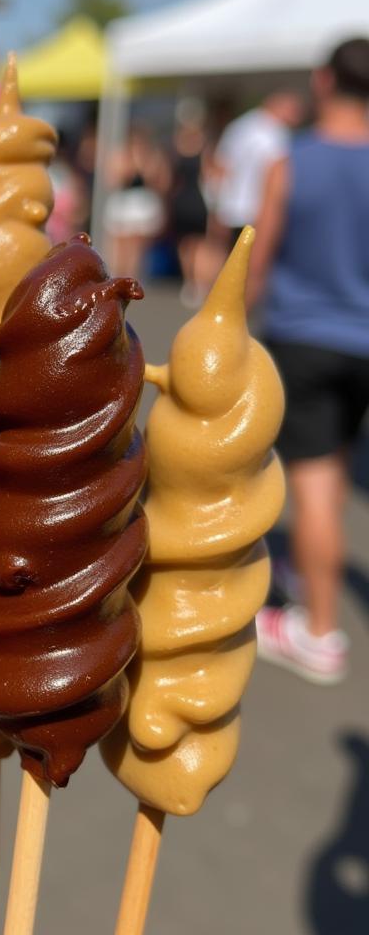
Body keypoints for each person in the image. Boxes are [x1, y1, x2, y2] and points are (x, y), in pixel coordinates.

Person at [249, 38, 369, 685]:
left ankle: (319, 632)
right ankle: (311, 569)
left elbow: (257, 258)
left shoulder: (290, 162)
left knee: (315, 481)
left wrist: (229, 323)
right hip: (362, 343)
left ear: (324, 81)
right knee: (335, 463)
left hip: (304, 339)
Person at [210, 89, 304, 249]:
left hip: (234, 213)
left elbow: (219, 168)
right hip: (259, 214)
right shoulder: (276, 133)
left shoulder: (239, 126)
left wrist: (218, 209)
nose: (298, 115)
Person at [103, 123, 169, 278]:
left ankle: (132, 276)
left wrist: (144, 164)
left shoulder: (153, 156)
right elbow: (112, 179)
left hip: (142, 203)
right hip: (123, 201)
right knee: (119, 243)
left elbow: (160, 181)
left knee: (136, 245)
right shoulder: (120, 155)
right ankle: (118, 275)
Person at [168, 98, 216, 306]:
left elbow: (168, 177)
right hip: (197, 199)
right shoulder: (204, 145)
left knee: (185, 244)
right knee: (199, 243)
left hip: (181, 199)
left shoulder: (177, 144)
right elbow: (210, 174)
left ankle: (190, 282)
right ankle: (198, 283)